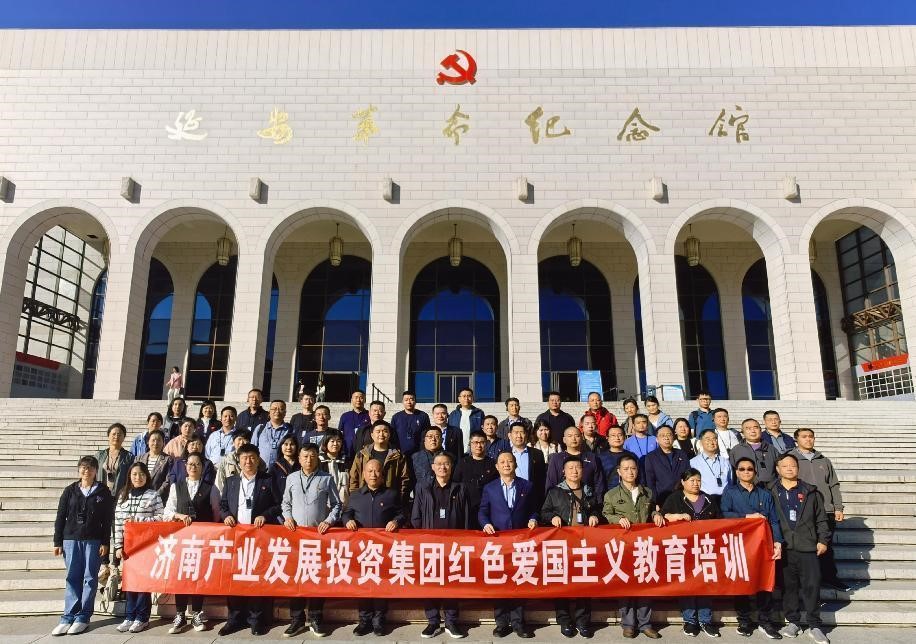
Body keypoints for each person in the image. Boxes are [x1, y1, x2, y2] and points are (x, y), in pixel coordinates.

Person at [218, 444, 281, 636]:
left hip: (259, 538)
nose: (248, 461)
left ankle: (256, 619)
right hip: (236, 538)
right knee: (234, 578)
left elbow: (278, 504)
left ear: (258, 459)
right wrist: (226, 516)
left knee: (256, 579)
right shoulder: (231, 481)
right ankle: (234, 619)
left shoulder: (268, 480)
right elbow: (223, 504)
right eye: (244, 458)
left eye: (252, 457)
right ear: (238, 461)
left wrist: (265, 515)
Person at [281, 443, 342, 638]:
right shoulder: (291, 478)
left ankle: (316, 618)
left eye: (313, 456)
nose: (309, 460)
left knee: (316, 578)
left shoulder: (326, 478)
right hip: (296, 537)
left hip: (318, 537)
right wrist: (287, 518)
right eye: (305, 456)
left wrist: (328, 521)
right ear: (299, 459)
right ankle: (297, 620)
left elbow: (336, 505)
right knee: (296, 579)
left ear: (318, 458)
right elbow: (285, 503)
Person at [720, 457, 784, 639]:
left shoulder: (765, 494)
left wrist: (778, 542)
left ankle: (765, 621)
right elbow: (724, 515)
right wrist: (747, 516)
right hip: (739, 545)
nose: (746, 472)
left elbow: (774, 520)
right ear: (736, 472)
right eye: (742, 469)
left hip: (762, 545)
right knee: (742, 583)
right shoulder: (730, 492)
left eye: (749, 469)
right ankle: (744, 620)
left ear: (755, 472)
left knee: (765, 582)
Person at [770, 453, 831, 644]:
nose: (789, 469)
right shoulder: (770, 491)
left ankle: (815, 624)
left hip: (808, 546)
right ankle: (793, 622)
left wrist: (823, 540)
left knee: (812, 586)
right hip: (784, 547)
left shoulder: (810, 491)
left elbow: (821, 519)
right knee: (789, 587)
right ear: (778, 469)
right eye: (785, 466)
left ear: (798, 468)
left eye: (793, 465)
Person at [602, 454, 664, 639]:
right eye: (626, 469)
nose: (630, 472)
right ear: (619, 472)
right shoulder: (611, 495)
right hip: (623, 546)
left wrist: (656, 515)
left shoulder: (648, 492)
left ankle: (645, 623)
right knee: (626, 585)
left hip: (644, 546)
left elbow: (651, 510)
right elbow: (606, 514)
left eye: (633, 468)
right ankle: (628, 624)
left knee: (645, 584)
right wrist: (617, 519)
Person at [51, 455, 114, 636]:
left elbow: (107, 520)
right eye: (84, 467)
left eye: (91, 468)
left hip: (93, 540)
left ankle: (83, 617)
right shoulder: (70, 490)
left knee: (90, 578)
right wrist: (57, 541)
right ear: (79, 469)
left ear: (96, 471)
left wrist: (105, 542)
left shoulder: (103, 491)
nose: (87, 471)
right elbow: (60, 516)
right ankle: (68, 616)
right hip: (71, 539)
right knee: (72, 577)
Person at [540, 457, 601, 639]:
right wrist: (552, 518)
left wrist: (595, 515)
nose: (574, 471)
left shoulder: (589, 491)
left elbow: (597, 509)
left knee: (584, 583)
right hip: (562, 545)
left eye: (578, 468)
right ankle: (565, 620)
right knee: (561, 584)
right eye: (571, 468)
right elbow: (544, 512)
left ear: (583, 471)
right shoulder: (555, 492)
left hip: (584, 545)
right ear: (563, 472)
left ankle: (583, 621)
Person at [412, 452, 471, 639]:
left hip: (454, 547)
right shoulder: (423, 488)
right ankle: (433, 621)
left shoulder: (460, 488)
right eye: (438, 464)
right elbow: (416, 517)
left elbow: (466, 518)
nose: (442, 467)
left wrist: (465, 541)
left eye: (446, 464)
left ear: (451, 467)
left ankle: (451, 621)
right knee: (430, 583)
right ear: (432, 467)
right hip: (429, 546)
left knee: (452, 583)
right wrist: (423, 538)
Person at [479, 452, 538, 639]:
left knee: (519, 581)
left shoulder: (527, 486)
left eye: (510, 461)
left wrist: (533, 519)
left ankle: (519, 623)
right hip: (498, 542)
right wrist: (485, 523)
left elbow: (534, 509)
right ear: (497, 467)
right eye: (502, 462)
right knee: (500, 582)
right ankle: (502, 623)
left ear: (515, 464)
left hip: (520, 542)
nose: (506, 464)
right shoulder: (490, 488)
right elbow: (482, 511)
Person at [343, 459, 405, 636]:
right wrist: (348, 520)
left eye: (377, 471)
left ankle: (379, 620)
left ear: (382, 475)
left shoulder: (391, 494)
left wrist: (396, 521)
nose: (373, 475)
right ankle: (364, 620)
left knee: (380, 584)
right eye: (369, 471)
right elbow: (346, 512)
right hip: (362, 550)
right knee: (363, 584)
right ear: (363, 474)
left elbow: (402, 513)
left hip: (384, 550)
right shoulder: (355, 495)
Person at [163, 452, 221, 634]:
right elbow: (167, 512)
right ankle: (180, 614)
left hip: (201, 541)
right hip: (181, 541)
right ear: (185, 467)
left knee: (198, 576)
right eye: (190, 464)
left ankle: (196, 613)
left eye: (197, 464)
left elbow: (216, 513)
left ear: (202, 468)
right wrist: (179, 516)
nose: (193, 467)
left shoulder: (211, 488)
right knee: (180, 576)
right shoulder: (176, 486)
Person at [661, 468, 721, 638]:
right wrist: (676, 516)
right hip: (684, 548)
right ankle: (690, 620)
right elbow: (663, 516)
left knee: (705, 584)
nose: (696, 483)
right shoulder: (674, 498)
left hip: (705, 548)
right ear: (683, 482)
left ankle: (705, 620)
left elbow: (720, 522)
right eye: (692, 480)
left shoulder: (708, 499)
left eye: (698, 480)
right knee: (687, 584)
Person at [790, 428, 848, 592]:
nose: (808, 439)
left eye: (811, 436)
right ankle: (805, 581)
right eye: (804, 437)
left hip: (826, 510)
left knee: (826, 546)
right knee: (804, 547)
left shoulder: (824, 460)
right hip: (802, 510)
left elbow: (833, 485)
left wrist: (838, 507)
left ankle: (830, 577)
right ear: (796, 439)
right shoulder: (791, 459)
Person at [113, 462, 164, 634]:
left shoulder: (153, 495)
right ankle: (130, 616)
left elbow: (161, 518)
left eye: (141, 474)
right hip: (128, 546)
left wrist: (139, 522)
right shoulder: (123, 495)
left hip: (146, 545)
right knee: (130, 582)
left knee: (143, 583)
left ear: (146, 476)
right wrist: (118, 545)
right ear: (129, 476)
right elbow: (118, 522)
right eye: (134, 474)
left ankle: (142, 618)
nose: (138, 477)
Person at [348, 420, 410, 502]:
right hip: (365, 499)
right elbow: (353, 478)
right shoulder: (362, 455)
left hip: (389, 501)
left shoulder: (398, 456)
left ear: (389, 434)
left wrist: (399, 499)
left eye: (385, 431)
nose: (381, 434)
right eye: (378, 431)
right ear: (372, 435)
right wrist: (355, 499)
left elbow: (404, 480)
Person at [546, 426, 607, 501]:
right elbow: (551, 483)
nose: (573, 439)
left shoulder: (592, 457)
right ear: (564, 440)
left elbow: (599, 483)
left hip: (588, 501)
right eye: (570, 436)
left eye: (577, 436)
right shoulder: (556, 458)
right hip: (562, 501)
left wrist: (597, 502)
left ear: (581, 438)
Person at [453, 430, 498, 528]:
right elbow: (455, 484)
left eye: (482, 442)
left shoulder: (493, 464)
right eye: (475, 442)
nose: (479, 445)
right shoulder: (462, 463)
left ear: (486, 444)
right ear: (470, 444)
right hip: (466, 508)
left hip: (488, 508)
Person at [643, 426, 690, 507]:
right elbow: (650, 482)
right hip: (661, 499)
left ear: (673, 437)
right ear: (657, 439)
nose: (666, 438)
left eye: (669, 435)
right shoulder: (651, 457)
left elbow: (687, 476)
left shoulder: (682, 454)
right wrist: (654, 502)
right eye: (662, 435)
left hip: (682, 498)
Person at [508, 421, 547, 507]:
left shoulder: (537, 454)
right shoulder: (504, 454)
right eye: (516, 432)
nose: (519, 436)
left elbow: (542, 479)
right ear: (509, 435)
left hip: (532, 498)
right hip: (510, 498)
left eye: (522, 432)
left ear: (526, 435)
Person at [729, 418, 777, 485]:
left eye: (755, 428)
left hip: (771, 488)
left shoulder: (771, 448)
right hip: (746, 488)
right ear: (743, 432)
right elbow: (732, 473)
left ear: (760, 430)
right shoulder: (736, 450)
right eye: (748, 428)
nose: (753, 431)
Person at [689, 428, 732, 502]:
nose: (712, 442)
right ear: (701, 443)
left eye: (714, 439)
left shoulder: (725, 461)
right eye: (708, 439)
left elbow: (730, 482)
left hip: (725, 500)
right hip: (704, 500)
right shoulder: (693, 462)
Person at [135, 428, 173, 501]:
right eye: (153, 440)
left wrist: (155, 496)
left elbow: (167, 481)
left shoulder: (168, 460)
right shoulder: (138, 459)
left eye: (159, 440)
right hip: (139, 497)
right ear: (148, 442)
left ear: (163, 443)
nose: (156, 443)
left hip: (158, 499)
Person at [390, 390, 430, 456]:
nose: (409, 402)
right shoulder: (396, 417)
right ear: (402, 402)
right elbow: (392, 436)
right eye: (406, 400)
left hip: (419, 454)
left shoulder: (423, 416)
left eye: (411, 399)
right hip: (401, 454)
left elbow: (427, 434)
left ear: (415, 401)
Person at [252, 400, 291, 468]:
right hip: (261, 470)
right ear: (269, 412)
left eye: (281, 409)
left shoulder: (290, 430)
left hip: (282, 470)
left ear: (285, 413)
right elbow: (253, 449)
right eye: (274, 409)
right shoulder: (260, 428)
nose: (277, 411)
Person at [448, 387, 485, 453]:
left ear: (472, 398)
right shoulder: (453, 414)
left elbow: (483, 431)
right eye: (464, 396)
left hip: (474, 449)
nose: (466, 398)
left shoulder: (479, 413)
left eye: (469, 396)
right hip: (456, 450)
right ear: (459, 399)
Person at [319, 430, 350, 505]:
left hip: (344, 504)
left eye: (338, 441)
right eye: (332, 441)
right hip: (324, 504)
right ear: (326, 443)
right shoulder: (318, 461)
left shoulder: (347, 461)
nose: (335, 444)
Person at [269, 434, 301, 501]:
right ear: (281, 446)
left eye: (292, 444)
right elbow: (272, 489)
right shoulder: (274, 467)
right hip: (280, 503)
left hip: (299, 502)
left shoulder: (301, 465)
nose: (289, 447)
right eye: (286, 444)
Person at [340, 389, 370, 457]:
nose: (358, 400)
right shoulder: (345, 416)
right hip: (347, 453)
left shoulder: (370, 415)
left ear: (365, 400)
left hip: (365, 454)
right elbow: (340, 433)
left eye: (361, 397)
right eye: (356, 397)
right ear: (351, 400)